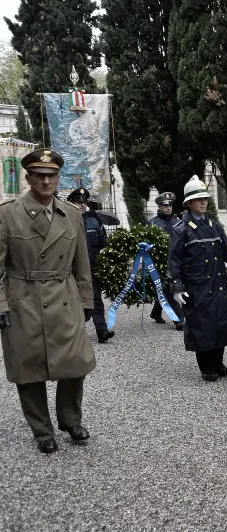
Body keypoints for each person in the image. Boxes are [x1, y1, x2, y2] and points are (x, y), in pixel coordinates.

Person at [0, 148, 96, 453]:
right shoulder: (6, 215)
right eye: (39, 176)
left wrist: (86, 299)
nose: (45, 181)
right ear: (28, 177)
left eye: (51, 176)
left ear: (58, 178)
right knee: (29, 370)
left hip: (64, 297)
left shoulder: (71, 214)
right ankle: (42, 430)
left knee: (76, 363)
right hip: (23, 299)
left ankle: (70, 419)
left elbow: (82, 263)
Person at [168, 175, 227, 381]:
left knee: (221, 324)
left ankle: (218, 361)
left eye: (205, 198)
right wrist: (177, 287)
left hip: (218, 285)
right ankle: (207, 367)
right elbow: (174, 261)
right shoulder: (181, 231)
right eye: (199, 199)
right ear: (189, 203)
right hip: (197, 288)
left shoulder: (215, 226)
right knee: (202, 327)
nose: (203, 202)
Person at [66, 187, 114, 344]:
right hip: (71, 270)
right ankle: (74, 333)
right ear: (71, 203)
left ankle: (102, 331)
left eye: (84, 202)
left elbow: (103, 242)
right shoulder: (65, 220)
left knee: (96, 299)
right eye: (78, 202)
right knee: (72, 301)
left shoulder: (94, 220)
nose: (81, 205)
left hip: (91, 267)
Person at [146, 191, 185, 330]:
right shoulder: (152, 224)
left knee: (165, 289)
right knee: (168, 290)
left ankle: (156, 312)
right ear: (159, 207)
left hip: (175, 262)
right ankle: (179, 320)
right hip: (159, 263)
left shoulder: (178, 222)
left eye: (170, 205)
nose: (168, 208)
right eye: (165, 205)